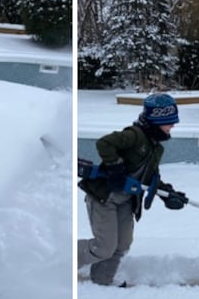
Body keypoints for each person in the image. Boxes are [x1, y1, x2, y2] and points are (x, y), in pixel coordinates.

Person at [77, 93, 189, 285]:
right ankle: (63, 260)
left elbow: (151, 177)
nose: (173, 126)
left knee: (121, 245)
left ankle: (101, 283)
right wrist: (114, 166)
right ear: (156, 121)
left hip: (126, 201)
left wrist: (168, 194)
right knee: (104, 247)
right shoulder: (134, 136)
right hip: (104, 197)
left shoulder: (156, 148)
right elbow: (104, 143)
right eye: (169, 122)